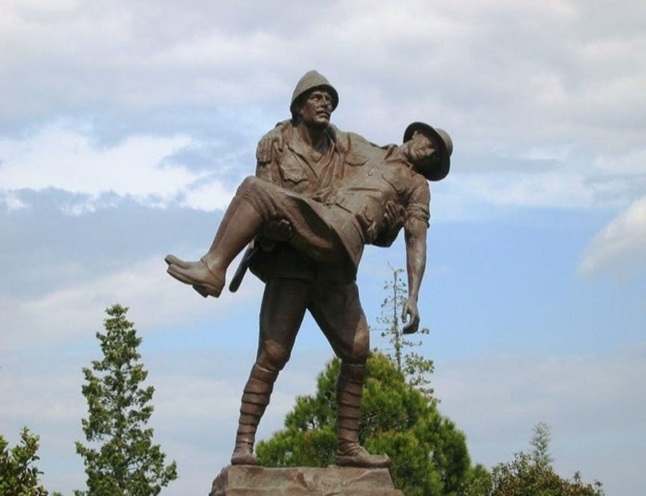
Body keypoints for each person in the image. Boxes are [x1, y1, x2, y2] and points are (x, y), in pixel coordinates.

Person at [165, 71, 451, 468]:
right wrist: (277, 133)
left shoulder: (416, 185)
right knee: (275, 353)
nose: (427, 152)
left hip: (335, 242)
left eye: (435, 155)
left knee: (255, 192)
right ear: (414, 134)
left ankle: (214, 268)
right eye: (428, 141)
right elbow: (311, 130)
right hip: (297, 261)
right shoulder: (359, 146)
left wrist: (413, 294)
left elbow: (415, 237)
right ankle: (243, 446)